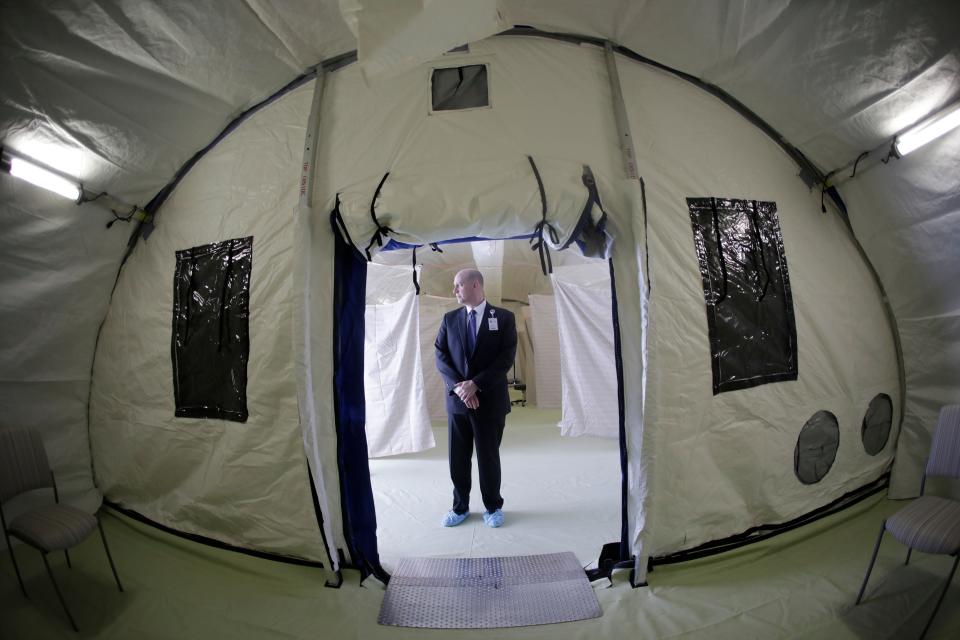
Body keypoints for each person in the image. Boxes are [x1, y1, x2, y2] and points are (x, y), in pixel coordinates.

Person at [435, 268, 517, 528]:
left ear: (475, 285)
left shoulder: (503, 318)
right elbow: (440, 355)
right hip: (458, 403)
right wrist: (461, 388)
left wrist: (476, 384)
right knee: (457, 458)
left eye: (458, 285)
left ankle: (493, 507)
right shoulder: (449, 320)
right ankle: (459, 507)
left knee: (488, 456)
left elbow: (506, 357)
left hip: (489, 402)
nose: (454, 290)